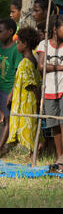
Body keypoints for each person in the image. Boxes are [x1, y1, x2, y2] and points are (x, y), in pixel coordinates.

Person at [37, 15, 63, 158]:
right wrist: (61, 67)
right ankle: (60, 156)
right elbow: (41, 66)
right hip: (49, 89)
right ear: (55, 29)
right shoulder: (43, 44)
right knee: (54, 125)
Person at [6, 27, 41, 155]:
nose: (17, 45)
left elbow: (32, 85)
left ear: (25, 44)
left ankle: (31, 154)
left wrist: (37, 100)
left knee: (27, 127)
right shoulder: (32, 60)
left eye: (18, 42)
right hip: (26, 99)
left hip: (26, 101)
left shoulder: (25, 63)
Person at [0, 19, 23, 151]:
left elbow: (17, 73)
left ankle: (2, 147)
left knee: (8, 119)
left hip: (7, 89)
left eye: (0, 31)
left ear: (10, 32)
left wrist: (12, 92)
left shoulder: (16, 50)